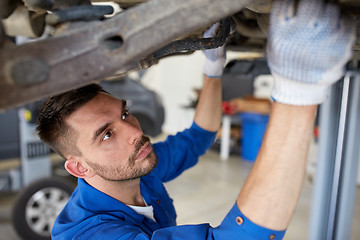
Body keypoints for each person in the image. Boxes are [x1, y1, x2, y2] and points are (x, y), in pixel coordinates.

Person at [36, 0, 355, 239]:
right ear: (78, 167)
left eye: (124, 114)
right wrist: (298, 90)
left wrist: (212, 69)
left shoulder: (135, 172)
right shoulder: (88, 234)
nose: (134, 131)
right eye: (106, 134)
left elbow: (199, 136)